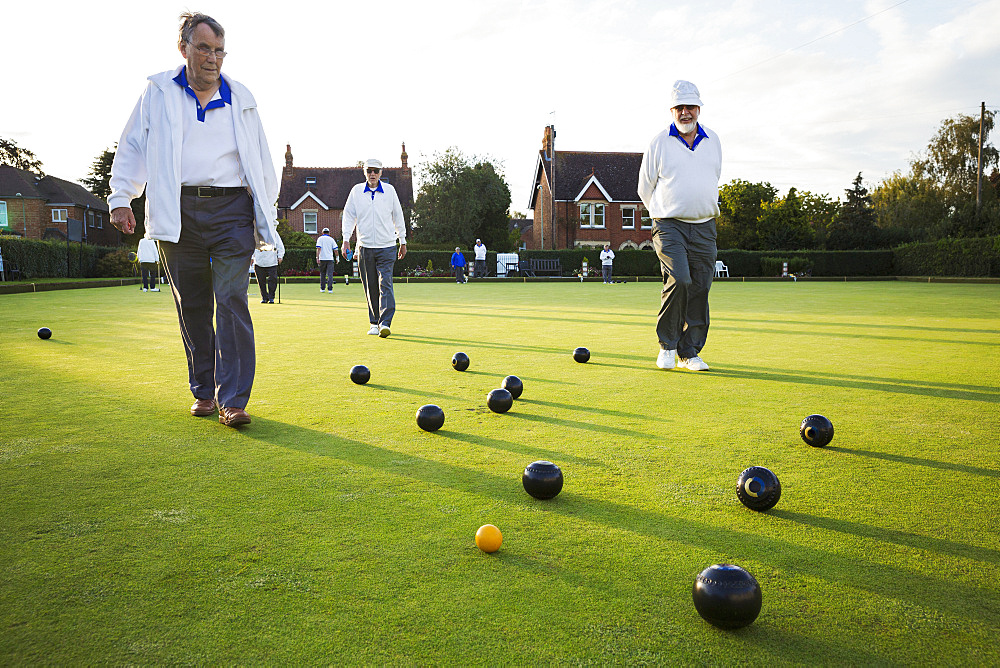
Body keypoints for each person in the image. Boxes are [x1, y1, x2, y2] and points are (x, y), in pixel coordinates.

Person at [108, 12, 281, 426]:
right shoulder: (158, 92)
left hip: (231, 211)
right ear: (183, 48)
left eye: (219, 51)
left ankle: (233, 399)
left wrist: (265, 212)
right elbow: (134, 144)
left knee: (232, 299)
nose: (213, 58)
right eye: (204, 48)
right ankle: (203, 390)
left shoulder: (242, 98)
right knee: (194, 305)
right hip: (177, 209)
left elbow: (261, 159)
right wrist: (121, 197)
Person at [638, 80, 722, 372]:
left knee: (700, 286)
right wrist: (663, 213)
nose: (685, 113)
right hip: (669, 225)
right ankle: (668, 346)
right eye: (679, 108)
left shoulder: (713, 141)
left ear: (698, 108)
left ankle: (690, 352)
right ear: (672, 110)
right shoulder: (659, 142)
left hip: (705, 226)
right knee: (680, 279)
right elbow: (644, 187)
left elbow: (713, 178)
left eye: (690, 107)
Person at [341, 158, 407, 337]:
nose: (372, 174)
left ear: (381, 173)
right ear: (365, 172)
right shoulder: (356, 191)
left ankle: (385, 322)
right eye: (369, 170)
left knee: (385, 282)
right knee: (370, 286)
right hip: (365, 246)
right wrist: (346, 240)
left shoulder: (390, 191)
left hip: (387, 246)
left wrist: (402, 240)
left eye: (376, 171)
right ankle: (374, 323)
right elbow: (349, 217)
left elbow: (398, 216)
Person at [253, 227, 284, 303]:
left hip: (272, 261)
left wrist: (280, 256)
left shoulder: (274, 233)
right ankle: (264, 297)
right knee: (261, 281)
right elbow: (251, 245)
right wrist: (251, 257)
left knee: (272, 280)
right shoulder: (255, 233)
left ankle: (271, 297)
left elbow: (280, 245)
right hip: (259, 261)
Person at [316, 227, 338, 292]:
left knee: (322, 274)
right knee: (330, 274)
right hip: (330, 259)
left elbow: (318, 249)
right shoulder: (331, 239)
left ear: (322, 232)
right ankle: (330, 289)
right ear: (329, 233)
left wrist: (317, 257)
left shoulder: (320, 239)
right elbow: (335, 250)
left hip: (322, 258)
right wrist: (337, 258)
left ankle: (322, 288)